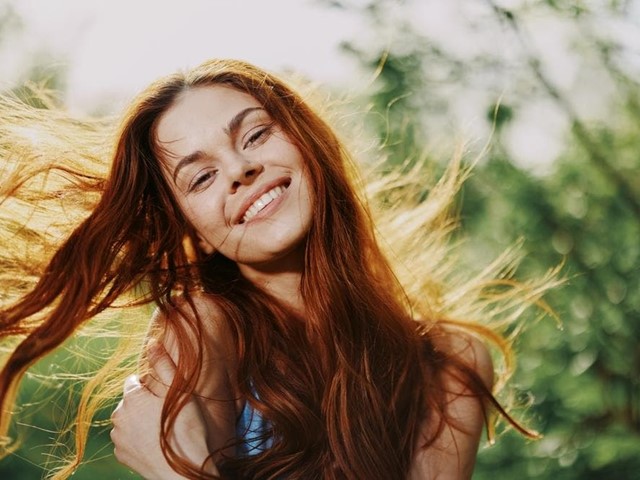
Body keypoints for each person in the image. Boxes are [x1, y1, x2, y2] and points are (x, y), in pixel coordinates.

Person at [0, 59, 552, 479]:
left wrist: (173, 471)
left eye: (255, 135)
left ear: (307, 143)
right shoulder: (203, 326)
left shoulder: (451, 367)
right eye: (201, 177)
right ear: (193, 230)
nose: (240, 169)